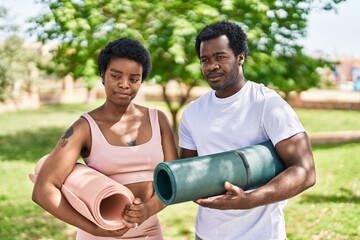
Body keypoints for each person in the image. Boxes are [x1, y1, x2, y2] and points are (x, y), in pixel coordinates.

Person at [178, 21, 316, 239]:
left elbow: (305, 171)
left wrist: (248, 200)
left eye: (220, 57)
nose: (212, 66)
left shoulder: (267, 104)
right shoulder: (192, 113)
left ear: (240, 57)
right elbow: (188, 173)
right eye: (205, 60)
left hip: (261, 234)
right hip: (205, 234)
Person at [32, 38, 178, 239]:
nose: (124, 85)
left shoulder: (158, 120)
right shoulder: (84, 128)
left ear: (141, 80)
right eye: (116, 76)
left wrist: (147, 209)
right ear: (103, 75)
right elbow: (43, 189)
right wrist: (96, 229)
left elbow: (173, 180)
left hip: (150, 232)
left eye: (134, 79)